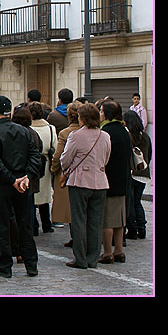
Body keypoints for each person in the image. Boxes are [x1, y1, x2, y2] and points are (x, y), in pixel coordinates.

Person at [0, 95, 42, 278]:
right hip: (22, 183)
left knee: (2, 225)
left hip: (4, 183)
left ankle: (4, 265)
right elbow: (35, 155)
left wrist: (13, 179)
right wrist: (27, 176)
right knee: (25, 224)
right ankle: (31, 263)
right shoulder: (24, 131)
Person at [60, 102, 112, 269]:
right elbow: (106, 158)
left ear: (82, 118)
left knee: (79, 220)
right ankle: (92, 257)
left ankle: (80, 258)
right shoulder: (105, 136)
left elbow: (65, 159)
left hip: (80, 181)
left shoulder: (75, 135)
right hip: (100, 181)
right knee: (96, 222)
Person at [99, 100, 133, 263]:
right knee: (119, 219)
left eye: (101, 111)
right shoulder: (124, 130)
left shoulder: (106, 131)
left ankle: (107, 252)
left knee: (107, 219)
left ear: (106, 114)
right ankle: (119, 250)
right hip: (123, 178)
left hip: (108, 179)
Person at [51, 100, 84, 247]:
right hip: (86, 174)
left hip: (68, 174)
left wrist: (54, 168)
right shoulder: (93, 132)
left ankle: (76, 237)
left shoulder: (65, 133)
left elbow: (58, 156)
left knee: (70, 208)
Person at [28, 101, 57, 235]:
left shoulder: (27, 129)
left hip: (31, 163)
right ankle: (47, 224)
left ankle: (33, 225)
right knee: (44, 196)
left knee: (32, 195)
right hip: (45, 163)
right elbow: (55, 147)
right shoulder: (50, 128)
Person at [123, 110, 152, 240]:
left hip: (132, 172)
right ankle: (142, 228)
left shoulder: (128, 136)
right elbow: (149, 155)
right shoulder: (145, 136)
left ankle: (132, 229)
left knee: (130, 201)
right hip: (143, 173)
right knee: (137, 201)